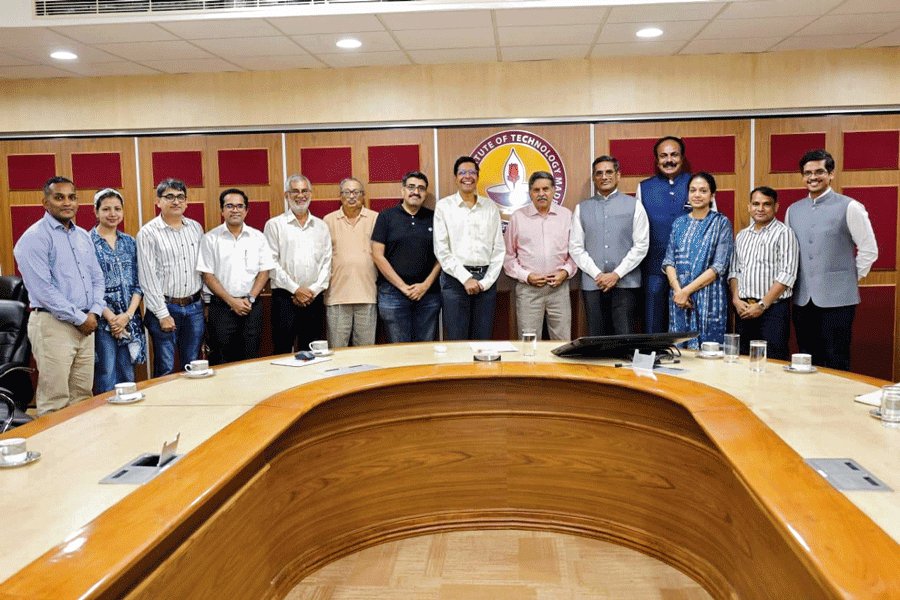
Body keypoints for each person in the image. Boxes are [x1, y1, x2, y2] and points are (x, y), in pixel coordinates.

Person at [13, 176, 105, 415]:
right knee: (55, 401)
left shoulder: (82, 236)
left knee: (82, 397)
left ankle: (82, 441)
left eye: (72, 197)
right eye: (59, 197)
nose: (67, 203)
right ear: (45, 202)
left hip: (86, 325)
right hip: (53, 324)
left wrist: (94, 312)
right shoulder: (33, 238)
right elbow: (43, 290)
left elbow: (97, 278)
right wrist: (81, 318)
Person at [786, 149, 878, 371]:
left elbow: (869, 250)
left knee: (837, 358)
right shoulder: (793, 210)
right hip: (802, 299)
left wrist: (849, 279)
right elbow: (789, 253)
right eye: (808, 173)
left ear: (831, 174)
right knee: (807, 358)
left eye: (819, 172)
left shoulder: (850, 206)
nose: (813, 177)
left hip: (839, 300)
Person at [569, 155, 649, 335]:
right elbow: (576, 247)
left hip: (626, 284)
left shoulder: (635, 206)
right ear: (594, 177)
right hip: (593, 284)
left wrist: (616, 274)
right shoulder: (582, 208)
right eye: (599, 173)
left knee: (625, 337)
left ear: (618, 175)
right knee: (597, 338)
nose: (604, 177)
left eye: (608, 172)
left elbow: (641, 246)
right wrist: (598, 275)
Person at [196, 188, 274, 365]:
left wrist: (250, 298)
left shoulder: (258, 237)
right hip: (221, 308)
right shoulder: (210, 238)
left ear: (246, 210)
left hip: (251, 306)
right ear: (222, 210)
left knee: (250, 359)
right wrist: (232, 301)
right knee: (222, 360)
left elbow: (264, 271)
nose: (235, 210)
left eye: (239, 206)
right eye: (229, 206)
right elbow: (208, 275)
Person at [137, 178, 204, 377]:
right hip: (165, 307)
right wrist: (162, 314)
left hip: (194, 307)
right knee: (165, 368)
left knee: (192, 366)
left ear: (186, 202)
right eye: (169, 197)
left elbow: (203, 268)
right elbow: (147, 278)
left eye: (180, 197)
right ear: (158, 201)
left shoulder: (195, 228)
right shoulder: (148, 233)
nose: (176, 201)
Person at [433, 156, 504, 340]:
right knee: (457, 341)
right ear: (455, 178)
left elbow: (498, 249)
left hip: (486, 281)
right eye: (462, 172)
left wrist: (486, 282)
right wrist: (466, 278)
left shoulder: (490, 207)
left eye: (472, 172)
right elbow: (441, 250)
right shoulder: (444, 207)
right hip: (454, 281)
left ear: (478, 177)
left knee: (482, 340)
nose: (467, 176)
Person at [662, 172, 733, 349]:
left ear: (712, 195)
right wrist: (679, 292)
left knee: (708, 354)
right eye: (693, 190)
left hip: (709, 298)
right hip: (679, 299)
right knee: (680, 352)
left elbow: (719, 266)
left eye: (703, 191)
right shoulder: (679, 223)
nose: (697, 195)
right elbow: (668, 261)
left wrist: (686, 291)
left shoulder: (721, 223)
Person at [264, 174, 332, 355]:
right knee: (283, 350)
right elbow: (271, 263)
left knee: (312, 352)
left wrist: (312, 291)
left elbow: (327, 263)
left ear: (310, 194)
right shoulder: (274, 225)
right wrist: (296, 290)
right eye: (295, 191)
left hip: (313, 298)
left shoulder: (321, 226)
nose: (300, 195)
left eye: (304, 191)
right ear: (286, 195)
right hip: (285, 298)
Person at [504, 171, 576, 340]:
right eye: (536, 190)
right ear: (530, 193)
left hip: (559, 289)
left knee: (562, 341)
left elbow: (576, 252)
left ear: (553, 191)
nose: (541, 194)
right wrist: (526, 276)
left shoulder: (566, 216)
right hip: (529, 291)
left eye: (546, 189)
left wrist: (564, 272)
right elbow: (508, 256)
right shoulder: (518, 217)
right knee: (529, 342)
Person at [371, 171, 442, 343]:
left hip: (428, 295)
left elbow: (443, 255)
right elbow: (377, 255)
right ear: (403, 190)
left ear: (425, 193)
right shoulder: (386, 216)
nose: (416, 192)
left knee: (425, 349)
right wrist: (403, 287)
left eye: (421, 188)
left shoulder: (435, 218)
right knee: (399, 350)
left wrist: (425, 285)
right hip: (392, 294)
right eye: (411, 187)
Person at [729, 187, 799, 360]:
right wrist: (736, 299)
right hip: (744, 309)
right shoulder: (742, 236)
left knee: (773, 361)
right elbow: (735, 270)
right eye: (756, 204)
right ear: (749, 207)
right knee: (743, 360)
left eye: (766, 204)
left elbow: (787, 274)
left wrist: (761, 305)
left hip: (772, 310)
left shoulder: (784, 233)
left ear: (776, 207)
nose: (760, 209)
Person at [90, 188, 146, 392]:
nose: (112, 214)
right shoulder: (86, 242)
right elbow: (87, 285)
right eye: (106, 209)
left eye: (117, 209)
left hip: (129, 318)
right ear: (96, 212)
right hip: (102, 320)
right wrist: (112, 319)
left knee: (128, 374)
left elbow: (139, 282)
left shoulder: (130, 242)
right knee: (106, 374)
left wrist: (127, 315)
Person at [637, 136, 692, 333]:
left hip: (690, 271)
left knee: (688, 328)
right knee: (653, 326)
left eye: (674, 155)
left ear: (682, 158)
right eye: (664, 156)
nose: (669, 160)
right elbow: (638, 231)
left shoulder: (697, 184)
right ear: (657, 160)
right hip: (654, 269)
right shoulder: (644, 187)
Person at [323, 178, 378, 348]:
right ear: (340, 196)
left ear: (363, 195)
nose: (352, 196)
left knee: (366, 351)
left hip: (367, 294)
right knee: (337, 351)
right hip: (337, 296)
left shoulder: (376, 218)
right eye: (347, 192)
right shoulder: (328, 221)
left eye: (356, 192)